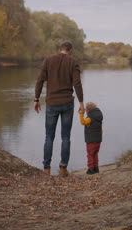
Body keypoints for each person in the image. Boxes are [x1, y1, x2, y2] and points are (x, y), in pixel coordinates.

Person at [34, 41, 84, 176]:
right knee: (66, 137)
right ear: (70, 50)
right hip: (67, 103)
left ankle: (46, 169)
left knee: (49, 137)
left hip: (51, 103)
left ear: (59, 49)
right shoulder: (73, 62)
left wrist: (36, 99)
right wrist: (81, 102)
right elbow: (77, 83)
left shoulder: (48, 60)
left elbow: (40, 80)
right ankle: (63, 169)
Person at [79, 102, 103, 175]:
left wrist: (81, 114)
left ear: (88, 110)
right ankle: (96, 168)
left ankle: (91, 169)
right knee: (95, 154)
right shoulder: (99, 117)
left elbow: (83, 122)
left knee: (90, 154)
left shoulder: (90, 118)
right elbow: (101, 130)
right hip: (98, 141)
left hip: (91, 141)